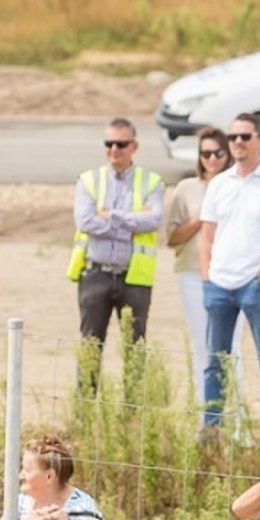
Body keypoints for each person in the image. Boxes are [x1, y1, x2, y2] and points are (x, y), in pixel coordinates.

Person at [199, 112, 260, 436]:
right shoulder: (219, 184)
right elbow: (207, 237)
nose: (237, 142)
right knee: (215, 361)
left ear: (259, 140)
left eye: (244, 136)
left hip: (256, 285)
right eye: (233, 137)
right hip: (219, 284)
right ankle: (211, 430)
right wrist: (207, 279)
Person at [67, 117, 165, 385]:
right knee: (90, 347)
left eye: (121, 144)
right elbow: (85, 222)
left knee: (134, 350)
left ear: (134, 146)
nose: (114, 150)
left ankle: (132, 408)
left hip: (133, 278)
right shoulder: (89, 181)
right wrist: (130, 223)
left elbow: (153, 220)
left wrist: (111, 216)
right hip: (95, 274)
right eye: (109, 143)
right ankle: (85, 407)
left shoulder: (151, 182)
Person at [163, 126, 242, 405]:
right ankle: (204, 412)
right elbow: (172, 237)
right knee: (202, 345)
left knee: (232, 347)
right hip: (192, 274)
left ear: (228, 154)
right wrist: (201, 219)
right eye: (206, 154)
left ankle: (235, 416)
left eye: (218, 153)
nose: (212, 159)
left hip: (231, 277)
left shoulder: (238, 187)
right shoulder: (187, 189)